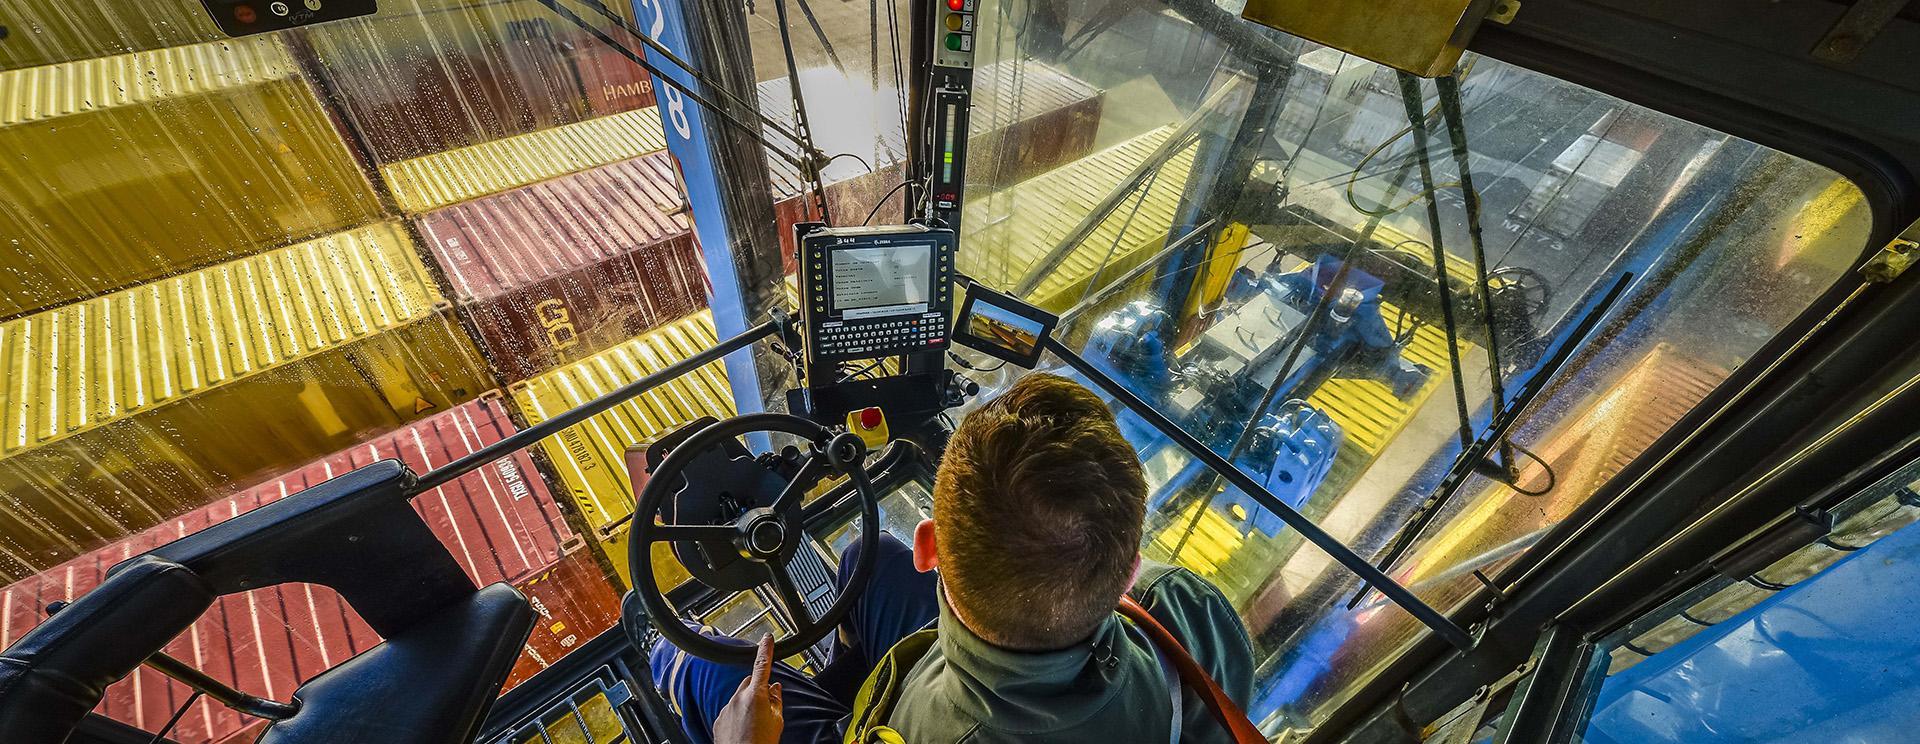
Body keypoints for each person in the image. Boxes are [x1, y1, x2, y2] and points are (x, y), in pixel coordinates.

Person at [653, 373, 1255, 744]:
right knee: (870, 558)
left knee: (708, 666)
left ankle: (657, 647)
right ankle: (850, 659)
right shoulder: (1189, 611)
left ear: (931, 548)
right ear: (1130, 571)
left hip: (913, 714)